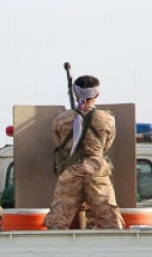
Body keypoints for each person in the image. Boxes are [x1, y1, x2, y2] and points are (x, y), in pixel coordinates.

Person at [45, 75, 124, 230]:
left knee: (57, 223)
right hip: (97, 172)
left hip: (69, 173)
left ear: (75, 94)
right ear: (96, 94)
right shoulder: (107, 118)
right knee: (111, 223)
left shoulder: (60, 118)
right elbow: (107, 145)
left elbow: (59, 142)